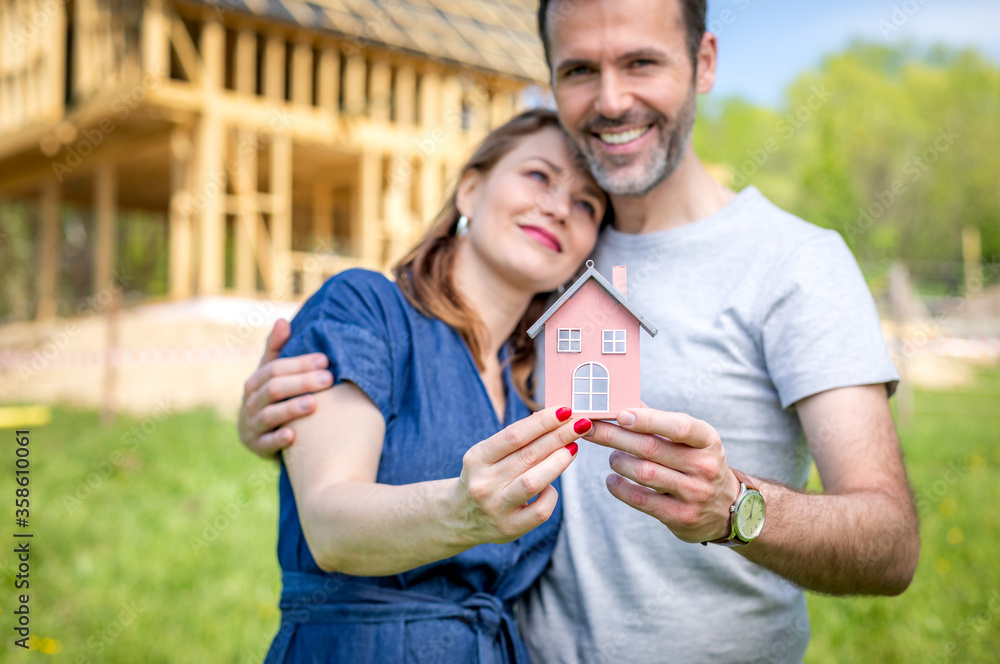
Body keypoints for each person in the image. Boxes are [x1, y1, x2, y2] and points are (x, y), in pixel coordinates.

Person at [241, 1, 920, 662]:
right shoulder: (553, 269)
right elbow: (384, 427)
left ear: (704, 61)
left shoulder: (795, 262)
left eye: (642, 61)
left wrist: (734, 506)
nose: (613, 99)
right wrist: (286, 414)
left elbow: (890, 544)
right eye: (579, 70)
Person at [259, 109, 609, 663]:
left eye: (587, 203)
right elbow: (329, 527)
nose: (560, 207)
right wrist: (459, 511)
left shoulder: (538, 386)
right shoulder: (365, 308)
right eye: (539, 176)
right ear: (470, 190)